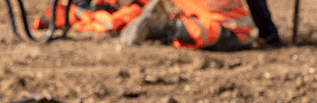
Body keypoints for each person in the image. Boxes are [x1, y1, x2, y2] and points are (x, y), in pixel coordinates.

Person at [117, 0, 284, 50]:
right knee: (231, 35)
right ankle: (162, 27)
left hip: (213, 20)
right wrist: (270, 35)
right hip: (227, 29)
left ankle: (160, 26)